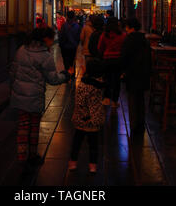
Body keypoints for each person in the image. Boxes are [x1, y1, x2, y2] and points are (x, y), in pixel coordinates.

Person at [10, 27, 69, 165]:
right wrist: (65, 76)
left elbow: (12, 72)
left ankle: (21, 155)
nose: (52, 41)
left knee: (23, 126)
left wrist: (13, 89)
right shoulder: (45, 56)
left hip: (20, 94)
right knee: (34, 127)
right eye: (51, 39)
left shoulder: (21, 51)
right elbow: (53, 79)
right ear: (45, 39)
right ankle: (32, 155)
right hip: (35, 96)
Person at [69, 58, 106, 173]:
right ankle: (93, 166)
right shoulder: (99, 85)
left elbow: (80, 102)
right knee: (94, 145)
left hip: (81, 119)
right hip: (94, 120)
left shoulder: (83, 85)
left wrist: (85, 116)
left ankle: (73, 163)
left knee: (77, 143)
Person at [121, 18, 152, 138]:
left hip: (132, 73)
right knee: (141, 100)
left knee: (132, 99)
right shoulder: (144, 40)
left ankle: (134, 126)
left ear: (129, 27)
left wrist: (123, 71)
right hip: (143, 74)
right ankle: (141, 124)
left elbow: (124, 57)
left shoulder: (129, 39)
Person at [98, 17, 126, 107]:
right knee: (117, 81)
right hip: (118, 60)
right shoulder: (122, 35)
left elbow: (100, 48)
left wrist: (104, 53)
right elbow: (124, 47)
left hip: (107, 59)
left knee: (107, 79)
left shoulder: (104, 35)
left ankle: (106, 99)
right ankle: (114, 101)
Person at [58, 10, 80, 75]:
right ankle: (72, 73)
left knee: (65, 60)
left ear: (67, 16)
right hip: (73, 46)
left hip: (64, 46)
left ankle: (67, 73)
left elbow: (61, 35)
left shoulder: (64, 25)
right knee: (72, 60)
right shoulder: (77, 26)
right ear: (74, 17)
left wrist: (61, 44)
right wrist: (76, 44)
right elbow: (78, 37)